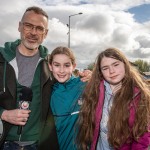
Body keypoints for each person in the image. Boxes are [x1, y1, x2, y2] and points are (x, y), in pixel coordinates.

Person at [0, 6, 59, 150]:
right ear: (20, 26)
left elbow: (68, 85)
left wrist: (88, 77)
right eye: (28, 26)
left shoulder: (51, 64)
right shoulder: (1, 59)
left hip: (39, 143)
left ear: (45, 33)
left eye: (39, 28)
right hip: (4, 141)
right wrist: (3, 114)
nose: (33, 32)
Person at [77, 48, 150, 150]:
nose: (111, 71)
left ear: (125, 64)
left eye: (116, 65)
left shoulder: (139, 95)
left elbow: (142, 138)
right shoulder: (94, 91)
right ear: (100, 72)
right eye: (105, 68)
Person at [48, 46, 87, 150]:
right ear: (50, 66)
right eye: (57, 65)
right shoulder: (48, 90)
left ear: (73, 66)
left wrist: (95, 76)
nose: (61, 70)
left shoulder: (84, 84)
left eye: (66, 65)